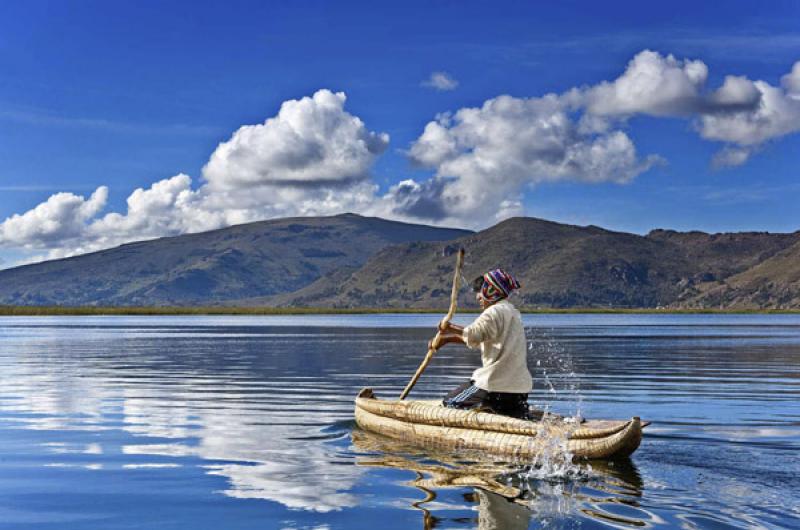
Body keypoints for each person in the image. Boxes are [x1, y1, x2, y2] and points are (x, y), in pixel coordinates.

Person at [430, 268, 532, 419]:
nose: (478, 297)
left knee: (450, 403)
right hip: (519, 391)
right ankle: (497, 410)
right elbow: (483, 339)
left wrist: (449, 327)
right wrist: (448, 338)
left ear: (490, 290)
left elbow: (473, 333)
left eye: (479, 292)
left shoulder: (493, 312)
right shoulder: (512, 312)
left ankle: (484, 410)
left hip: (494, 388)